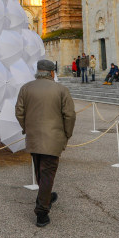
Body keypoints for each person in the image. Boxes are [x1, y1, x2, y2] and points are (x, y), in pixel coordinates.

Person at [15, 58, 76, 228]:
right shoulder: (61, 90)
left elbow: (19, 112)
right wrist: (67, 134)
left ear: (38, 72)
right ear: (51, 73)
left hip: (33, 137)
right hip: (53, 138)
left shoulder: (26, 88)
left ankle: (46, 196)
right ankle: (42, 211)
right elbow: (70, 115)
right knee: (47, 173)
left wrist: (27, 128)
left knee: (40, 170)